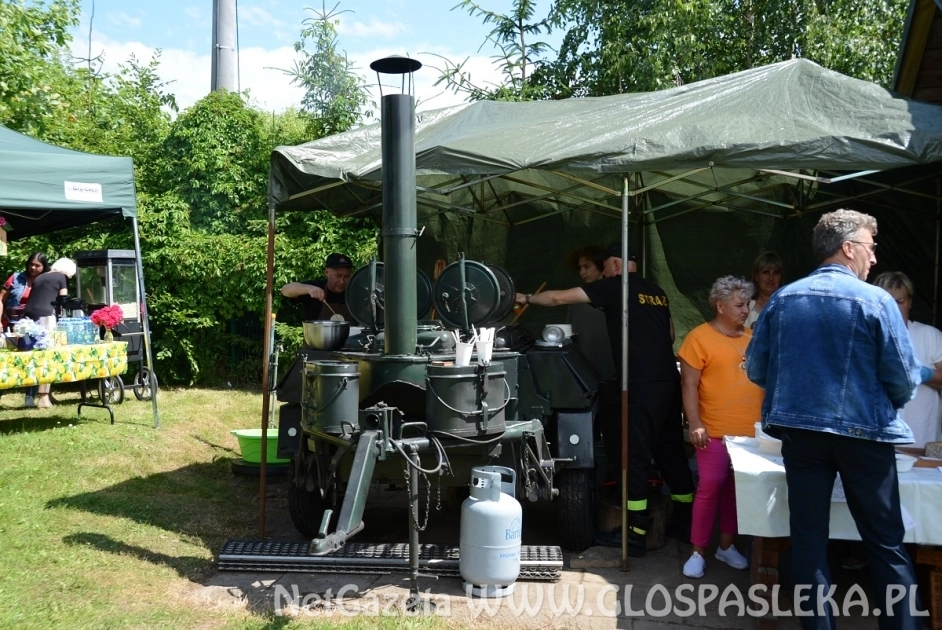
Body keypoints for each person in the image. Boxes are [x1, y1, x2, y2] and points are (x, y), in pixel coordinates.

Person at [746, 209, 931, 630]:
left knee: (809, 541)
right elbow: (903, 378)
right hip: (865, 434)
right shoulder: (878, 301)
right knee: (885, 542)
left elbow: (757, 369)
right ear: (848, 248)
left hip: (800, 435)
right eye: (870, 247)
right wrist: (888, 399)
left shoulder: (784, 299)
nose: (874, 258)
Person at [514, 242, 695, 556]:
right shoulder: (657, 291)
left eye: (605, 265)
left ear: (615, 264)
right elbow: (668, 334)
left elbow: (557, 297)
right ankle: (686, 523)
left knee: (634, 457)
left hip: (639, 383)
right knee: (671, 453)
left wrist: (525, 298)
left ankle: (636, 534)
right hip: (667, 380)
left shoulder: (615, 287)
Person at [678, 276, 764, 579]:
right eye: (739, 305)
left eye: (747, 304)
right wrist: (695, 423)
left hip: (751, 433)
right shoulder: (698, 338)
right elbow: (689, 385)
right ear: (720, 305)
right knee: (710, 486)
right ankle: (698, 551)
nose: (745, 310)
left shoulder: (754, 338)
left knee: (737, 492)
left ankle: (726, 547)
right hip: (713, 431)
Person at [873, 271, 942, 448]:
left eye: (900, 301)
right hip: (877, 441)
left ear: (910, 302)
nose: (894, 308)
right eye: (888, 302)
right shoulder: (866, 338)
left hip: (920, 440)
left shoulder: (929, 335)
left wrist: (924, 374)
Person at [25, 257, 76, 409]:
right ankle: (43, 398)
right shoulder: (62, 277)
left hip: (28, 317)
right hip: (46, 316)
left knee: (33, 356)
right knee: (48, 355)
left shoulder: (41, 276)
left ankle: (35, 394)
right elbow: (63, 299)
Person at [0, 252, 49, 407]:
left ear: (43, 267)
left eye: (37, 265)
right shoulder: (15, 278)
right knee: (5, 361)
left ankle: (29, 397)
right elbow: (1, 299)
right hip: (10, 324)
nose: (33, 268)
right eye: (31, 264)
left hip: (32, 327)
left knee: (32, 360)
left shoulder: (44, 281)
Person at [565, 245, 616, 381]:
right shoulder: (576, 298)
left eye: (587, 267)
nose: (582, 272)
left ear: (601, 265)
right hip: (585, 370)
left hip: (614, 370)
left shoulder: (616, 294)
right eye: (579, 268)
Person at [281, 253, 353, 323]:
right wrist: (308, 289)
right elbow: (285, 290)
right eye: (338, 276)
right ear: (327, 272)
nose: (342, 281)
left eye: (346, 276)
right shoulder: (315, 287)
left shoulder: (354, 293)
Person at [745, 251, 784, 329]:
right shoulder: (745, 307)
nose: (771, 278)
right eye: (766, 272)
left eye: (776, 273)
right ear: (756, 276)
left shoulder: (787, 307)